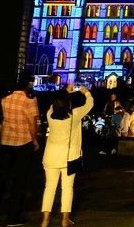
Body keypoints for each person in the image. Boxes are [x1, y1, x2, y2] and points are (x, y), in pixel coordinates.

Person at [0, 76, 40, 227]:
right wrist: (35, 140)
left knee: (0, 179)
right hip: (23, 142)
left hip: (7, 142)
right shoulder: (29, 101)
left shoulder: (5, 99)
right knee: (19, 181)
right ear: (27, 85)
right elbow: (32, 124)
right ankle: (13, 216)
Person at [40, 83, 94, 227]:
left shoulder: (50, 115)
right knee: (67, 188)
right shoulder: (74, 115)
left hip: (50, 157)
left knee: (49, 188)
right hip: (69, 158)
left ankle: (45, 219)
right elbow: (90, 104)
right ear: (68, 103)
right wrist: (85, 92)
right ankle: (65, 219)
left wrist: (66, 91)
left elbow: (54, 105)